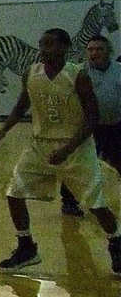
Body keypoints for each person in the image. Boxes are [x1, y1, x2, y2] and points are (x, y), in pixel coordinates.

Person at [0, 28, 121, 274]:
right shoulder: (31, 73)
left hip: (76, 147)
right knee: (14, 193)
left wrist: (68, 149)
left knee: (96, 204)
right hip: (39, 145)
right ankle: (26, 246)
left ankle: (116, 242)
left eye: (49, 44)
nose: (43, 49)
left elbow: (93, 117)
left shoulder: (77, 75)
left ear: (64, 48)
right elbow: (20, 107)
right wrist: (3, 130)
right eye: (41, 44)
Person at [57, 35, 121, 227]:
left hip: (116, 126)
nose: (94, 53)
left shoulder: (119, 71)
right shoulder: (79, 73)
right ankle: (69, 202)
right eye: (90, 50)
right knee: (77, 165)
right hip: (88, 128)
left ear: (109, 51)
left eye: (99, 49)